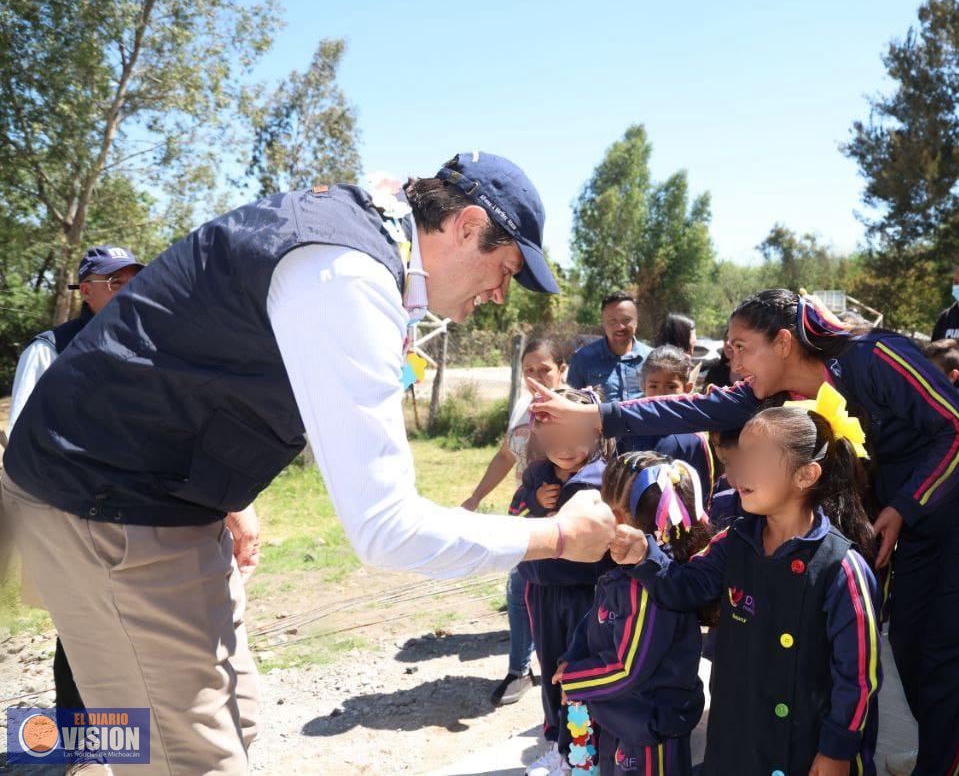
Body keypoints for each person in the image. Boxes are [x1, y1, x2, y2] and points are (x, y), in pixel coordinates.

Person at [0, 153, 617, 775]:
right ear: (465, 226)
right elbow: (386, 529)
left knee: (235, 718)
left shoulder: (351, 244)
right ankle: (60, 751)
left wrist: (230, 494)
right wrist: (560, 535)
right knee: (187, 758)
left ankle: (74, 749)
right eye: (504, 268)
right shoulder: (346, 276)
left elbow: (197, 363)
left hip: (169, 501)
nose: (498, 294)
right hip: (102, 505)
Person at [533, 289, 959, 776]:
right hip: (912, 513)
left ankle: (943, 761)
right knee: (909, 640)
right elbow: (692, 408)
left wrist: (904, 506)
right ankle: (946, 748)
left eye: (740, 348)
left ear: (782, 342)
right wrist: (596, 416)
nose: (732, 363)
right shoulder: (775, 395)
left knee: (956, 650)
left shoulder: (874, 357)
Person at [611, 396, 881, 776]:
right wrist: (644, 554)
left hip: (803, 745)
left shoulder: (842, 568)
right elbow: (683, 588)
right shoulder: (735, 541)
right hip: (738, 732)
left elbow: (858, 675)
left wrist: (837, 749)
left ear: (805, 476)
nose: (738, 473)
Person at [4, 245, 146, 776]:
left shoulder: (149, 343)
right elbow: (23, 441)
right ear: (84, 290)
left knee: (127, 627)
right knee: (79, 629)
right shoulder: (48, 349)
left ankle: (119, 746)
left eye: (134, 280)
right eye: (115, 283)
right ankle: (73, 752)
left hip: (135, 513)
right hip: (67, 513)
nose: (127, 290)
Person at [553, 452, 708, 776]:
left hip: (649, 726)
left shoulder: (648, 589)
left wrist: (574, 679)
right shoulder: (625, 573)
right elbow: (595, 621)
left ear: (633, 525)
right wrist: (573, 656)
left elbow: (627, 669)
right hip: (624, 717)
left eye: (610, 512)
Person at [511, 387, 615, 776]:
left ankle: (584, 752)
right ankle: (559, 744)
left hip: (586, 597)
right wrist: (536, 502)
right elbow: (518, 514)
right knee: (549, 664)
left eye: (577, 436)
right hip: (542, 594)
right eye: (556, 437)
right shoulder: (536, 478)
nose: (567, 447)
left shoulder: (602, 479)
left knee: (580, 673)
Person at [462, 338, 570, 707]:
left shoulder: (578, 407)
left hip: (569, 522)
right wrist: (475, 497)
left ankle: (570, 675)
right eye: (530, 371)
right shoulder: (524, 409)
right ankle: (521, 670)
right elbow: (507, 455)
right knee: (521, 590)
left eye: (546, 370)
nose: (537, 378)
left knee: (557, 598)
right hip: (531, 514)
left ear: (562, 370)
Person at [615, 345, 716, 496]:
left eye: (671, 386)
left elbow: (702, 493)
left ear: (687, 388)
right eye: (653, 386)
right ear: (643, 386)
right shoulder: (628, 430)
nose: (660, 394)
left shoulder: (692, 440)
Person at [568, 292, 651, 401]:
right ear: (603, 323)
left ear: (636, 321)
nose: (620, 327)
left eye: (626, 320)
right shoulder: (582, 358)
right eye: (612, 321)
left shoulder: (651, 358)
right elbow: (570, 404)